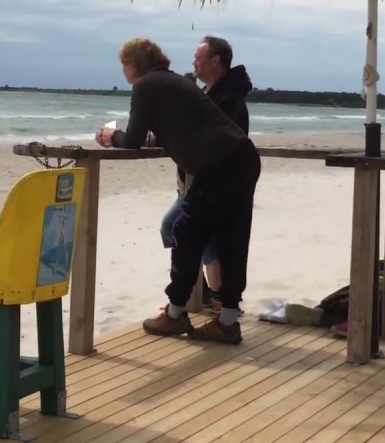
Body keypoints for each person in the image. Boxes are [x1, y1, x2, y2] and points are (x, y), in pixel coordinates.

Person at [95, 37, 261, 345]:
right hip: (243, 157)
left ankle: (175, 314)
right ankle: (226, 320)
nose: (123, 71)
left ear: (133, 65)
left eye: (123, 64)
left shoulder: (146, 86)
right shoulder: (172, 82)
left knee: (185, 232)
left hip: (219, 165)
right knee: (231, 239)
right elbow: (173, 130)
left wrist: (110, 135)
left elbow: (131, 139)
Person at [159, 36, 253, 312]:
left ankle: (209, 298)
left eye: (198, 59)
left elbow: (205, 139)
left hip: (214, 184)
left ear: (216, 61)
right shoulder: (215, 96)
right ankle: (216, 299)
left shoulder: (228, 100)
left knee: (176, 228)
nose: (194, 64)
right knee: (203, 239)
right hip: (204, 182)